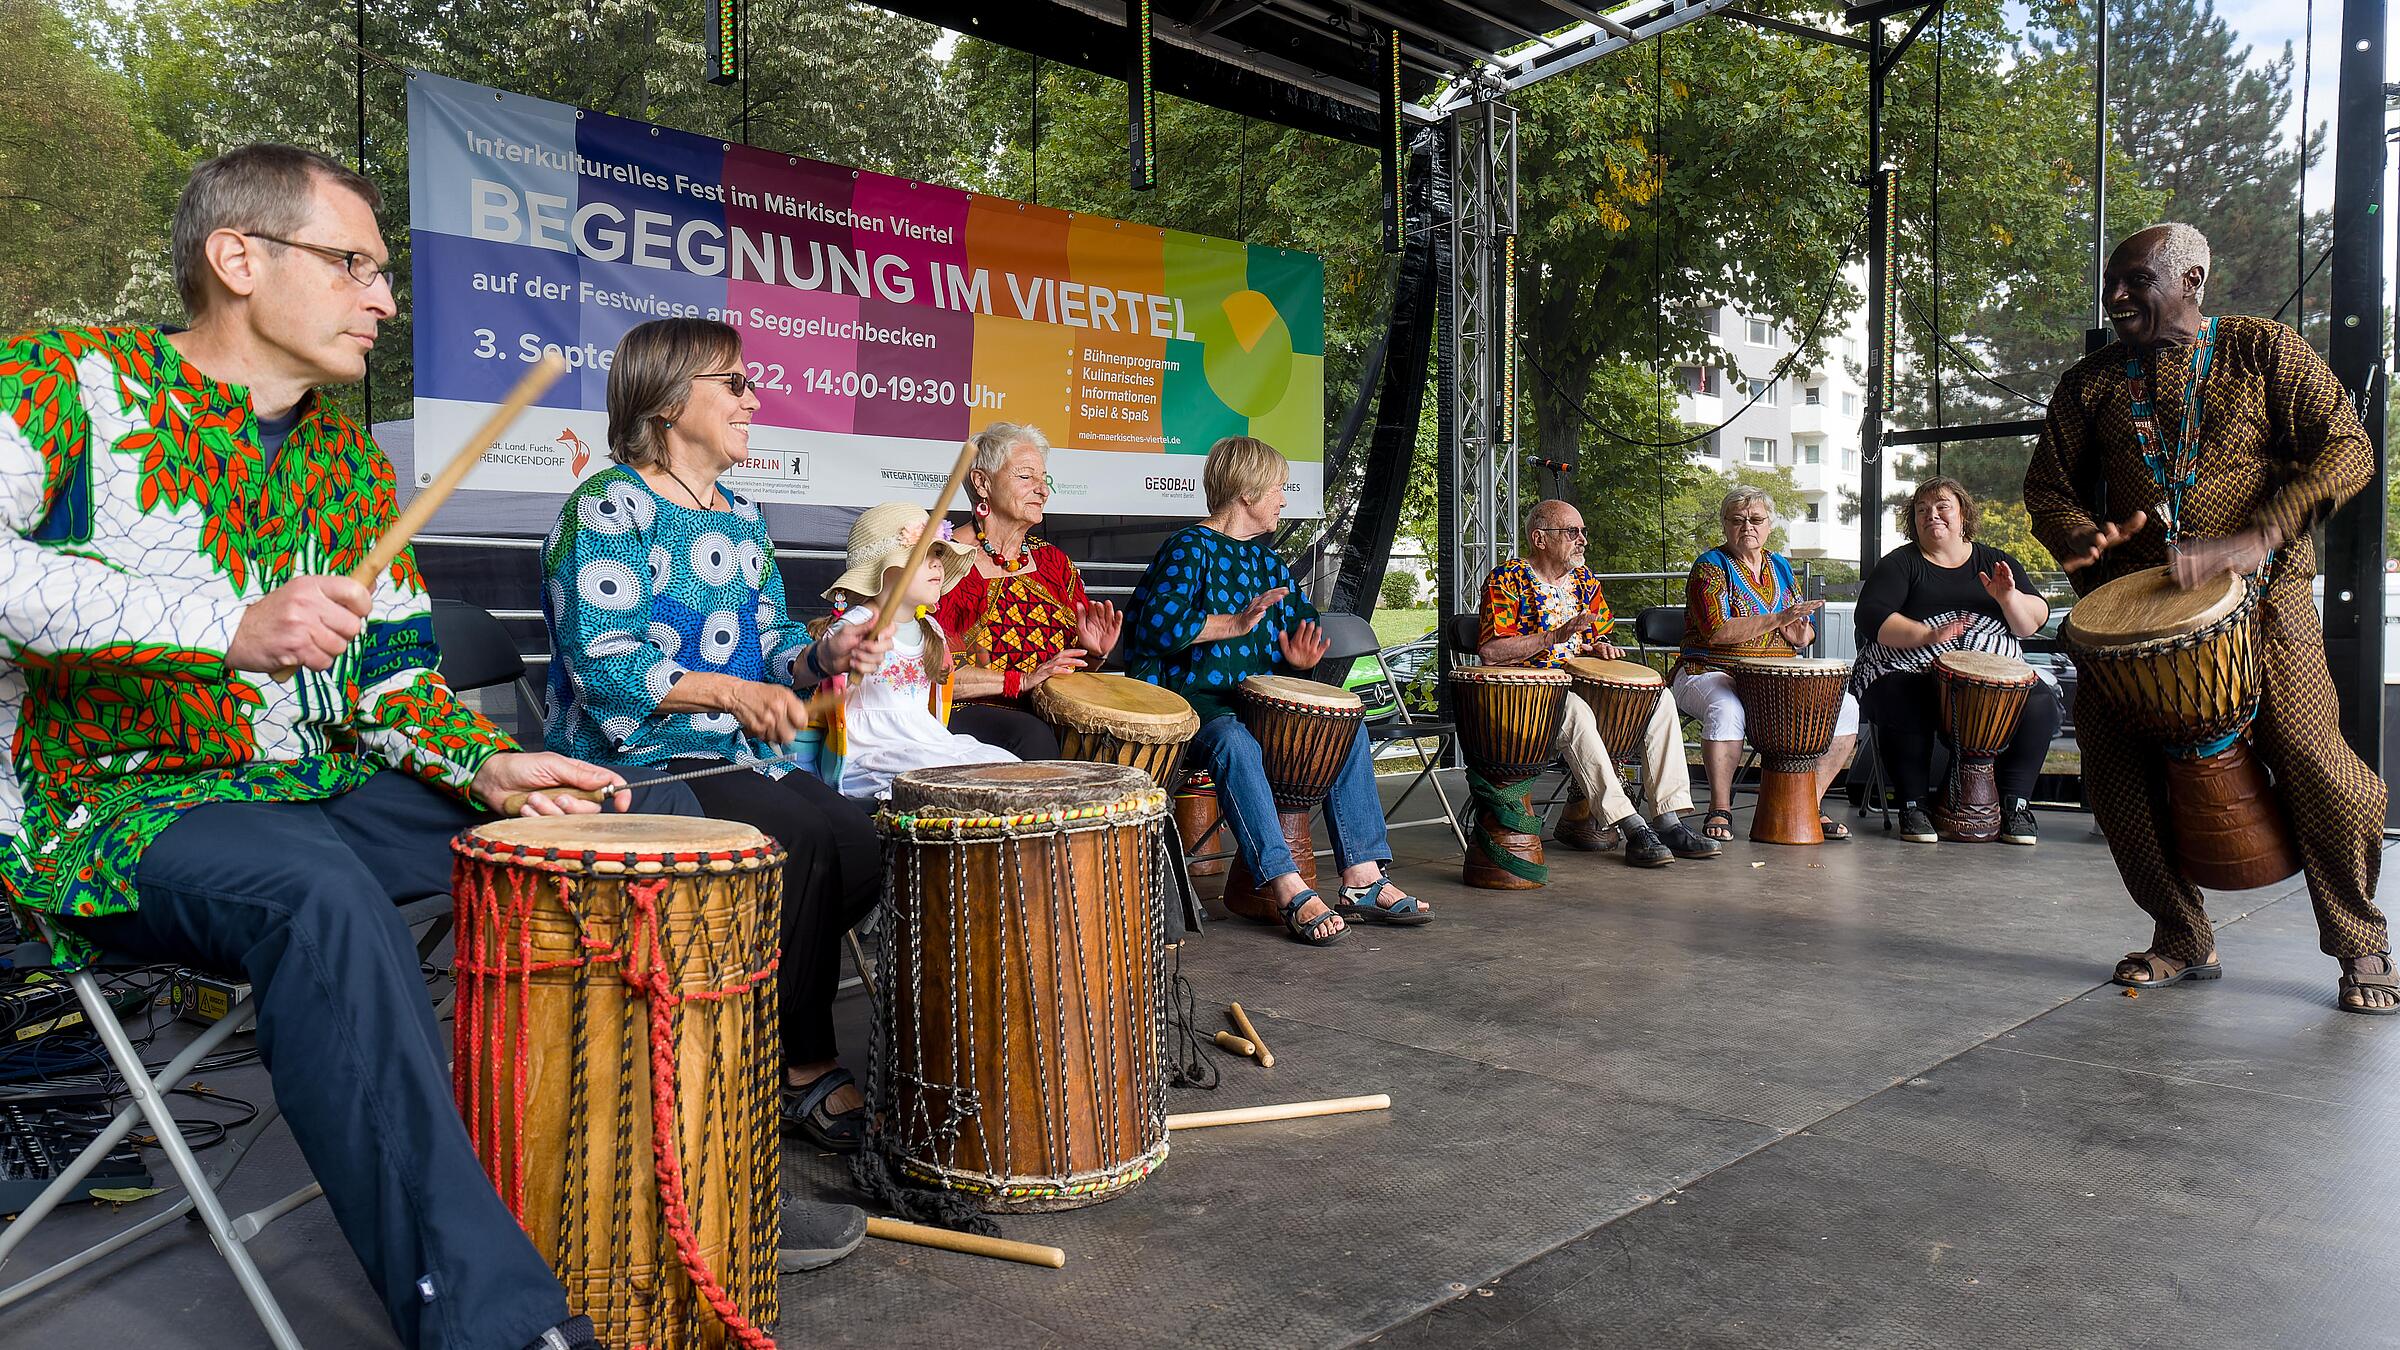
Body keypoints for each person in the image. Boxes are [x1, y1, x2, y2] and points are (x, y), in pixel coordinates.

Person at [0, 146, 858, 1350]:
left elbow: (396, 678)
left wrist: (486, 769)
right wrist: (221, 626)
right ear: (238, 258)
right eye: (353, 264)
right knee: (318, 897)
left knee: (603, 839)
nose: (384, 299)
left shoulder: (349, 466)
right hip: (114, 806)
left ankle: (671, 1216)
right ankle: (499, 1325)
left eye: (386, 274)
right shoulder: (65, 382)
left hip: (315, 784)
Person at [543, 317, 899, 1155]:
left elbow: (774, 642)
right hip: (630, 766)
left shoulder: (742, 515)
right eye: (734, 383)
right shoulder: (606, 506)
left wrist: (824, 650)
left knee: (861, 839)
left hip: (731, 757)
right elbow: (607, 666)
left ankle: (741, 1009)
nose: (753, 397)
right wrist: (735, 692)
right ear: (669, 401)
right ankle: (799, 1067)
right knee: (802, 837)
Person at [2024, 221, 2392, 1015]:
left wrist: (2258, 535)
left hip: (2265, 596)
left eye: (2135, 281)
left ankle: (2359, 938)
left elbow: (2348, 449)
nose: (2116, 296)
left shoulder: (2263, 350)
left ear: (2190, 280)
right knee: (2114, 775)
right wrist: (2079, 535)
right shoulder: (2090, 384)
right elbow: (2046, 489)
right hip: (2136, 614)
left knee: (2312, 754)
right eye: (2111, 283)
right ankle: (2182, 932)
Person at [1123, 436, 1424, 944]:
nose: (1284, 499)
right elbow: (1154, 626)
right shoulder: (1188, 549)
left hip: (1254, 703)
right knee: (1236, 743)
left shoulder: (1269, 565)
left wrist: (1301, 657)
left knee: (1343, 731)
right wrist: (1233, 622)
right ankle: (1287, 886)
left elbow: (1300, 633)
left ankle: (1363, 877)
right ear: (1247, 493)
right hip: (1196, 704)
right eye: (1279, 489)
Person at [1476, 498, 1721, 867]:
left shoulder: (1586, 581)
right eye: (1572, 532)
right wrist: (1552, 637)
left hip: (1582, 682)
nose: (1582, 540)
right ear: (1539, 538)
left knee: (1660, 699)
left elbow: (1594, 636)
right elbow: (1491, 651)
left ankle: (1668, 818)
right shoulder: (1506, 579)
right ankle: (1631, 823)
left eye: (1583, 532)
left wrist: (1600, 647)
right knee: (1573, 711)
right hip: (1531, 692)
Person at [1851, 478, 2059, 845]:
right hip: (1908, 668)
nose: (1932, 515)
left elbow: (2031, 621)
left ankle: (2015, 805)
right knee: (1904, 695)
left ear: (1964, 514)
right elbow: (1870, 616)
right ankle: (1913, 805)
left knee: (2040, 700)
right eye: (1921, 510)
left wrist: (2009, 598)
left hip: (1989, 673)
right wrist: (1928, 635)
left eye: (1942, 506)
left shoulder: (1995, 561)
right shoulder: (1901, 564)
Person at [1673, 488, 1860, 842]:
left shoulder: (1780, 566)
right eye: (1737, 520)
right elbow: (1717, 631)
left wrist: (1801, 633)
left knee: (1847, 708)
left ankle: (1808, 803)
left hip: (1773, 678)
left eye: (1756, 519)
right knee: (1727, 708)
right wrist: (1777, 620)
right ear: (1725, 525)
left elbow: (1800, 632)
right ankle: (1719, 807)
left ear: (1769, 525)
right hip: (1709, 671)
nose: (1747, 526)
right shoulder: (1710, 567)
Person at [933, 421, 1124, 754]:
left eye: (1043, 479)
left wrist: (1092, 654)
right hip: (970, 713)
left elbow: (1068, 673)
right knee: (1033, 735)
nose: (1042, 489)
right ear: (982, 482)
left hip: (1047, 712)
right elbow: (935, 675)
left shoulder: (1053, 563)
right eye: (1026, 476)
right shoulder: (944, 562)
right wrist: (1020, 681)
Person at [817, 501, 1018, 800]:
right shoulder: (854, 627)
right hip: (871, 751)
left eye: (938, 553)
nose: (937, 563)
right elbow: (827, 697)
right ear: (885, 571)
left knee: (1004, 764)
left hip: (926, 738)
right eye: (924, 555)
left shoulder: (932, 630)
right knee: (939, 773)